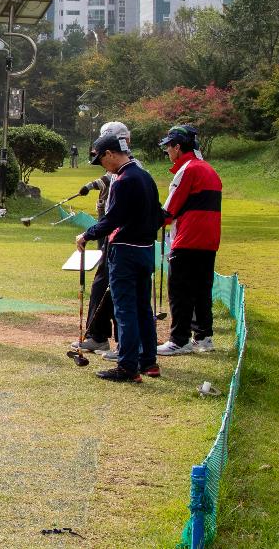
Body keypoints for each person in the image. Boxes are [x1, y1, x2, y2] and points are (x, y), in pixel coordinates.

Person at [76, 131, 163, 383]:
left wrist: (87, 234)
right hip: (146, 249)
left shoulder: (124, 180)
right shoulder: (145, 176)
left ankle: (127, 366)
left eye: (102, 160)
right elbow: (159, 215)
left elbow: (112, 218)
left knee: (125, 310)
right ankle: (149, 361)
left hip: (125, 250)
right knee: (142, 309)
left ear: (110, 154)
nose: (103, 166)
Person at [156, 124, 222, 356]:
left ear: (177, 146)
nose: (167, 152)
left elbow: (168, 211)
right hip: (208, 240)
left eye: (169, 147)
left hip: (187, 238)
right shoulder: (209, 169)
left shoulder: (188, 169)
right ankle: (203, 337)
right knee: (202, 290)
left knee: (180, 290)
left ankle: (179, 339)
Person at [70, 121, 131, 353]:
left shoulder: (126, 172)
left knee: (106, 286)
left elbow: (115, 214)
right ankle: (102, 336)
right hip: (113, 234)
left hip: (118, 237)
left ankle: (102, 337)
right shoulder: (123, 169)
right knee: (105, 285)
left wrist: (89, 233)